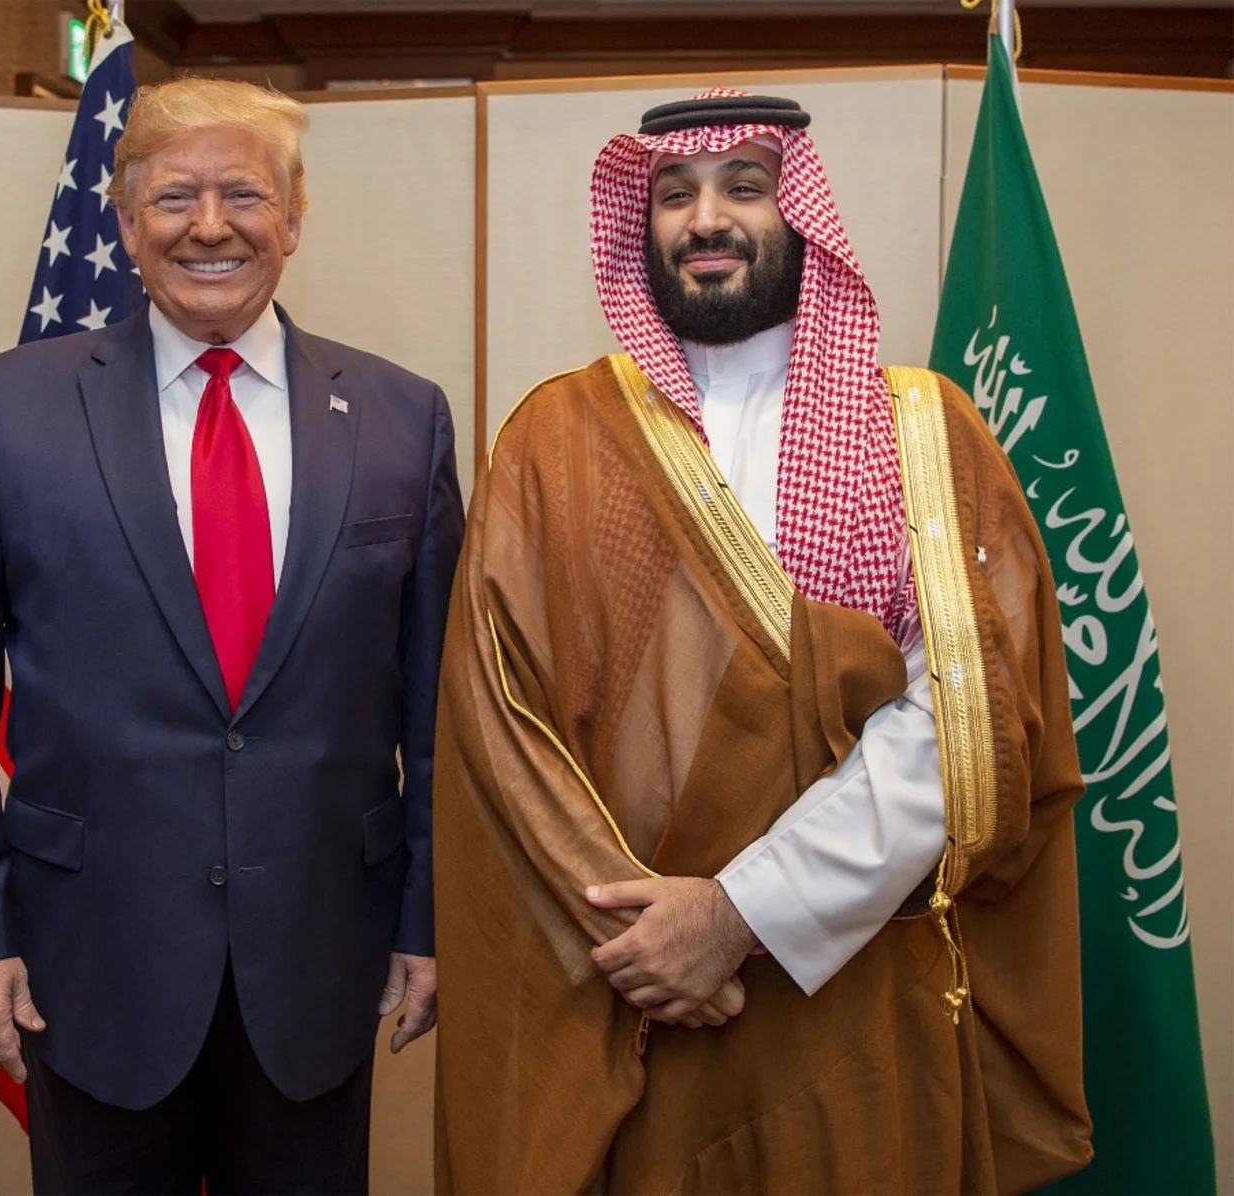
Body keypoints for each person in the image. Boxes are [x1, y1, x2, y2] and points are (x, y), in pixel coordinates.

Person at [433, 89, 1091, 1194]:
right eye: (674, 193)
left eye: (743, 186)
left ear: (800, 213)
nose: (705, 219)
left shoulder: (923, 432)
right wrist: (655, 944)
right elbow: (503, 719)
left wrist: (736, 913)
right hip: (632, 999)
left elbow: (965, 719)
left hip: (850, 997)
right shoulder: (554, 439)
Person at [0, 78, 463, 1194]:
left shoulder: (402, 417)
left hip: (321, 962)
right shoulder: (8, 409)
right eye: (174, 197)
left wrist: (429, 917)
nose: (210, 226)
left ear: (293, 217)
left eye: (244, 192)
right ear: (123, 220)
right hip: (85, 962)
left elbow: (438, 704)